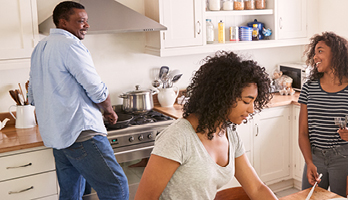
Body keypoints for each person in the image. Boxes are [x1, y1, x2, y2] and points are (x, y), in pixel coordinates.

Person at [134, 51, 277, 200]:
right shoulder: (178, 137)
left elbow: (257, 188)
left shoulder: (229, 134)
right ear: (224, 96)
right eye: (247, 101)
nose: (251, 109)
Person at [28, 1, 129, 199]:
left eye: (86, 21)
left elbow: (32, 94)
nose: (86, 25)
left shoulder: (40, 48)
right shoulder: (71, 45)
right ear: (63, 22)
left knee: (71, 193)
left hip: (58, 137)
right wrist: (108, 110)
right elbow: (97, 89)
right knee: (117, 186)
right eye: (81, 21)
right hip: (81, 134)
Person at [298, 31, 348, 197]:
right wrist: (309, 162)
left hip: (344, 158)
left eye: (320, 51)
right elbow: (302, 133)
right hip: (315, 157)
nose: (315, 57)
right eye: (315, 52)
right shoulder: (309, 87)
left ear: (336, 54)